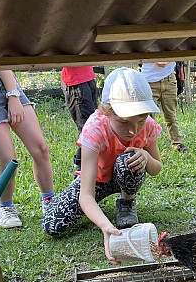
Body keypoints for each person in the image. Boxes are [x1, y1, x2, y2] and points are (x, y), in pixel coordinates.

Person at [42, 67, 163, 265]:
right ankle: (96, 210)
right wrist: (105, 227)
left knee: (128, 162)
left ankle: (127, 202)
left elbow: (156, 168)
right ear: (106, 111)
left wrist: (146, 158)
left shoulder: (147, 125)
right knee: (52, 224)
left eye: (140, 121)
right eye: (124, 122)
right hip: (97, 180)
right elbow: (86, 195)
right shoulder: (95, 127)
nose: (133, 131)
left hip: (125, 175)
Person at [0, 70, 55, 228]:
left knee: (40, 149)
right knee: (8, 161)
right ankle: (5, 208)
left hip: (3, 78)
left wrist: (13, 95)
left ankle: (49, 201)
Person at [141, 61, 190, 154]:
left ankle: (177, 144)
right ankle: (145, 145)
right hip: (149, 81)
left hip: (169, 80)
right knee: (146, 117)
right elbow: (161, 62)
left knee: (171, 115)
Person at [61, 66, 98, 171]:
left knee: (95, 124)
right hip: (75, 81)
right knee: (87, 128)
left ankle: (81, 163)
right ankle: (80, 166)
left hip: (88, 76)